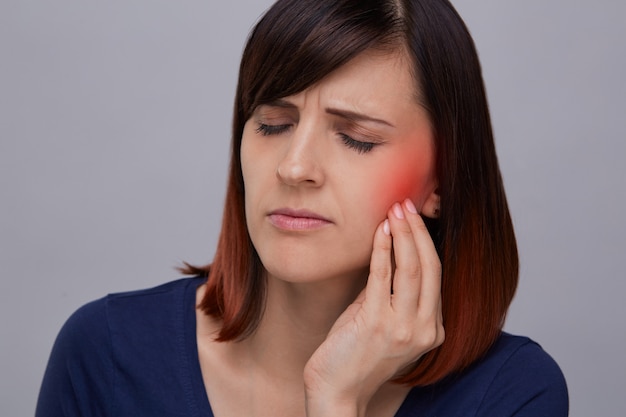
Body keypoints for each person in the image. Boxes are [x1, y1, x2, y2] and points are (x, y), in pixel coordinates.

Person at [36, 0, 569, 416]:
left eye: (356, 138)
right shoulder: (105, 352)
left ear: (443, 181)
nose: (294, 167)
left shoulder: (512, 395)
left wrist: (336, 401)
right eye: (272, 123)